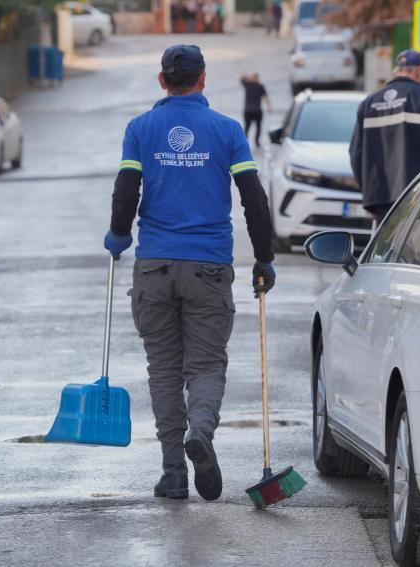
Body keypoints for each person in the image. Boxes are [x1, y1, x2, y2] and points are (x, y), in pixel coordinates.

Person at [103, 45, 275, 502]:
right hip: (208, 267)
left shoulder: (140, 129)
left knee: (162, 369)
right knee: (205, 365)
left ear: (162, 81)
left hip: (155, 265)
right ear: (203, 79)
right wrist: (264, 257)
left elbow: (126, 190)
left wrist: (120, 235)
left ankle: (173, 474)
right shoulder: (226, 131)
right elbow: (253, 199)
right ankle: (200, 429)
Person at [349, 49, 420, 221]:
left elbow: (356, 155)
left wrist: (369, 199)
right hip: (417, 194)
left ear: (396, 70)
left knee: (385, 247)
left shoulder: (368, 103)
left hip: (380, 199)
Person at [241, 73, 272, 149]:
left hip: (250, 110)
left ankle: (247, 142)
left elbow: (241, 78)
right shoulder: (257, 85)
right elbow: (265, 97)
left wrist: (247, 77)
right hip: (255, 111)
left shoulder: (248, 84)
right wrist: (269, 106)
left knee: (249, 127)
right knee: (255, 127)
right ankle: (256, 142)